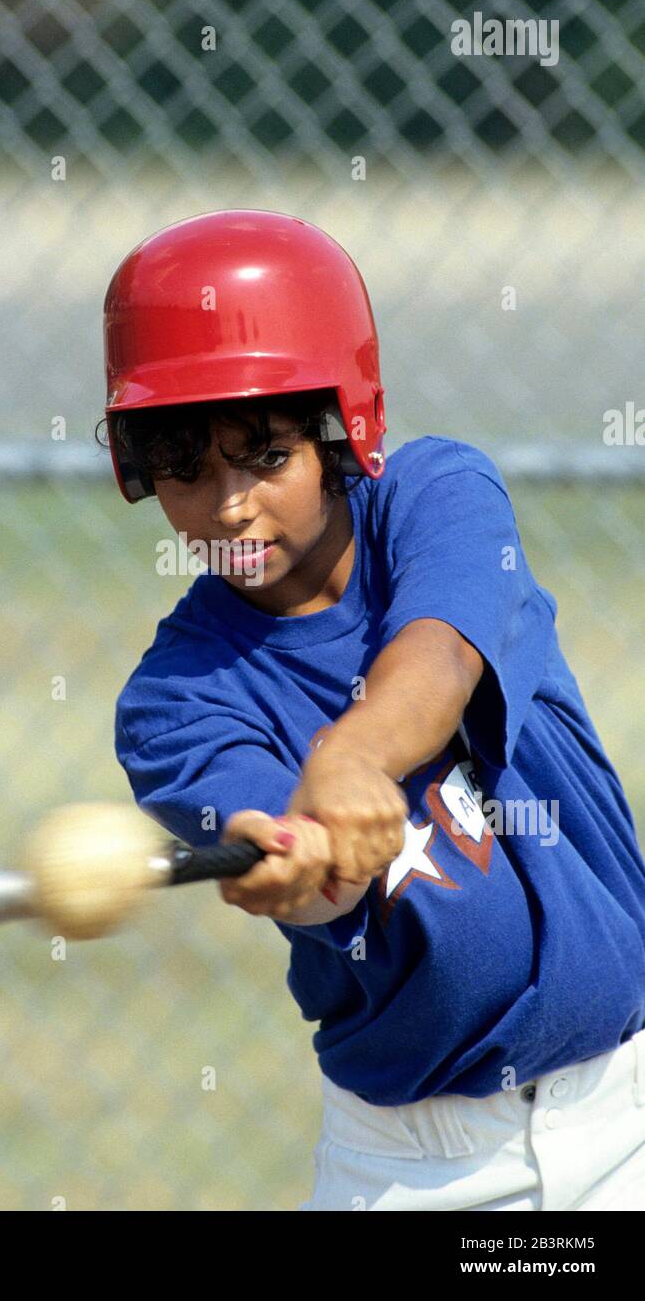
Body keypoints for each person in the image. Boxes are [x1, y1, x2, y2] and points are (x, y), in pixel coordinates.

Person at [98, 208, 645, 1211]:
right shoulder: (172, 699)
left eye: (265, 454)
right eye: (184, 465)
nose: (226, 506)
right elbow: (309, 886)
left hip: (632, 1110)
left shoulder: (436, 494)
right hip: (422, 1165)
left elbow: (437, 656)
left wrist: (350, 760)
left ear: (341, 428)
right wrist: (298, 869)